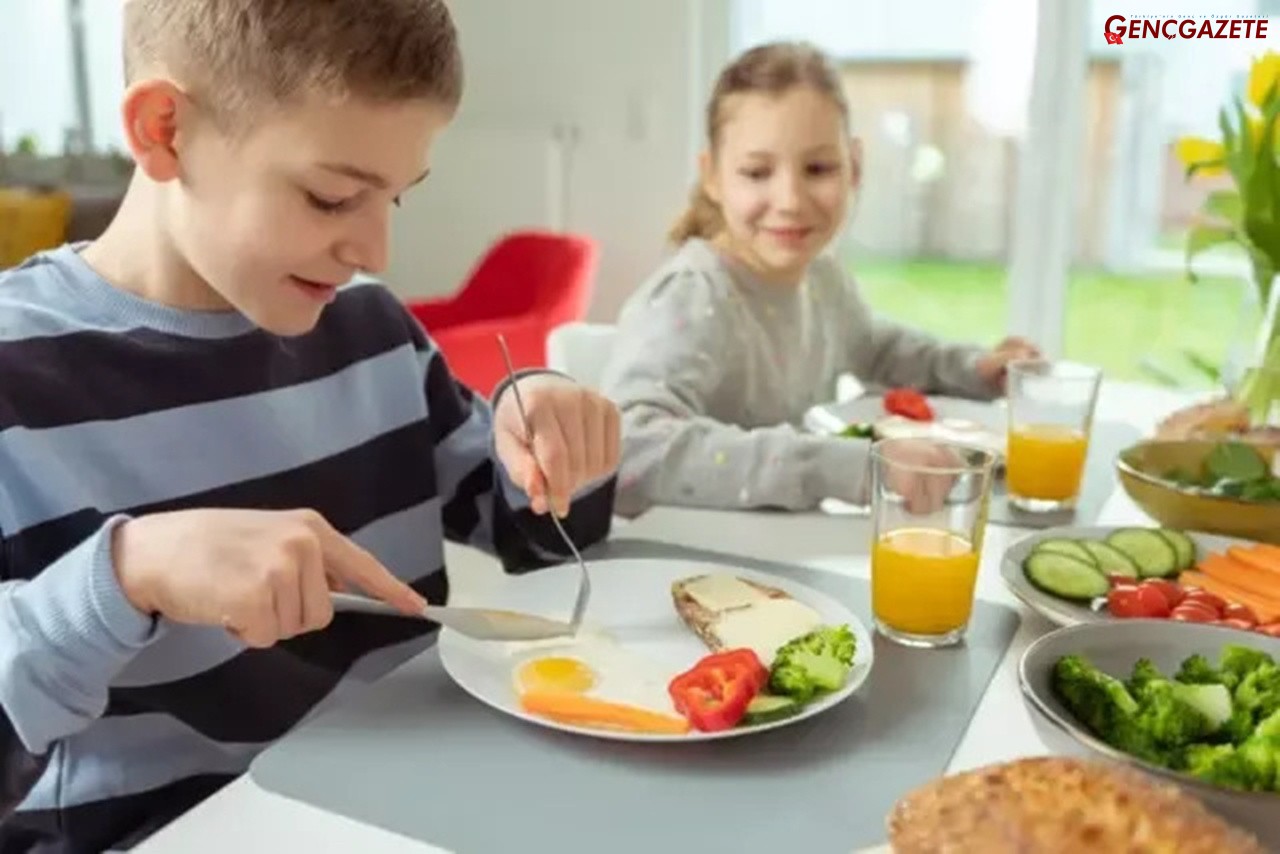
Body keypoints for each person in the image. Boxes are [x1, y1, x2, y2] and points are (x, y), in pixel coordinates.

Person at [0, 1, 620, 850]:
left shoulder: (371, 333)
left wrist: (552, 440)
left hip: (429, 810)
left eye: (395, 198)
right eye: (332, 197)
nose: (376, 250)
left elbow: (537, 535)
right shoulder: (15, 376)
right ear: (164, 129)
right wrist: (126, 573)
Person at [600, 41, 1039, 518]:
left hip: (790, 554)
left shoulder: (822, 275)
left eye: (817, 168)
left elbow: (877, 346)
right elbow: (633, 447)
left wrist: (975, 369)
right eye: (756, 172)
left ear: (855, 166)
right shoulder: (693, 295)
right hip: (697, 566)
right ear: (713, 177)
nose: (789, 198)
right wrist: (849, 468)